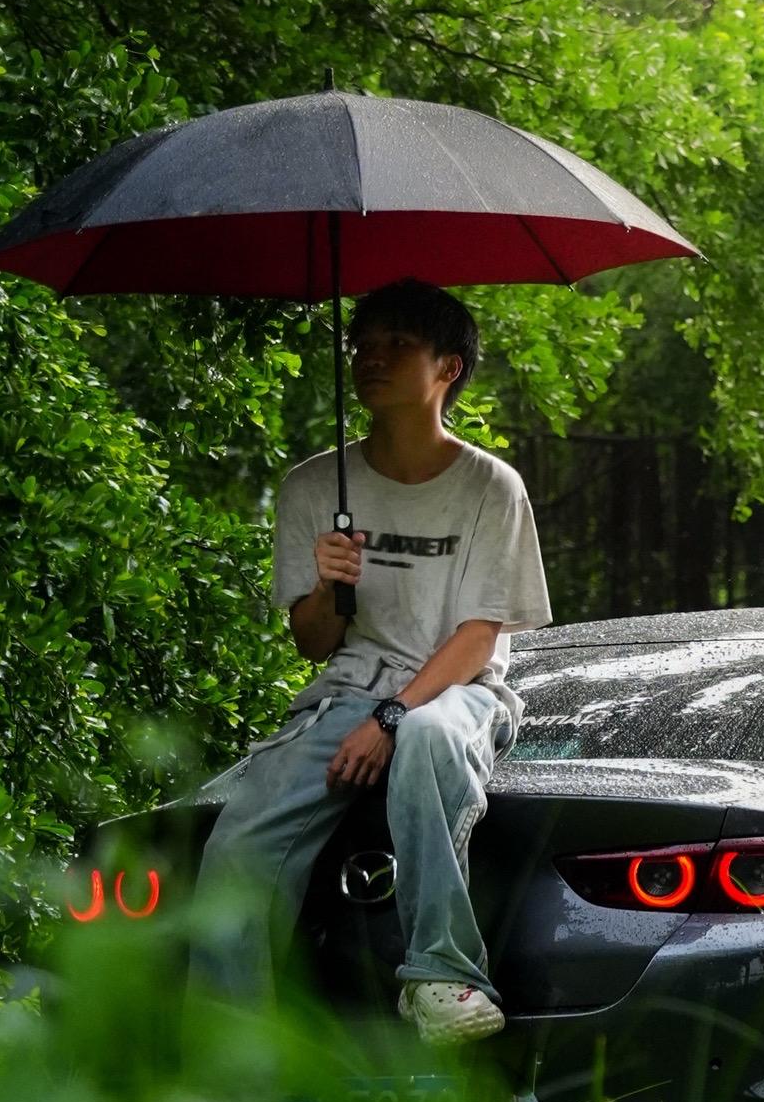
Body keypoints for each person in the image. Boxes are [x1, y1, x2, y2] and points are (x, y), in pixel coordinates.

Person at [194, 278, 549, 1041]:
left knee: (427, 735)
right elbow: (312, 643)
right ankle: (230, 1061)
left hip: (460, 690)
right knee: (242, 832)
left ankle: (441, 976)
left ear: (447, 368)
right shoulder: (315, 486)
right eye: (364, 343)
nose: (371, 358)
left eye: (398, 345)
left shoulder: (493, 487)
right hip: (348, 690)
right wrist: (328, 586)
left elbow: (479, 639)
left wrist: (393, 716)